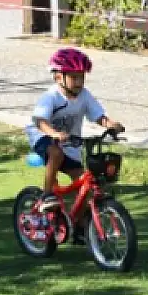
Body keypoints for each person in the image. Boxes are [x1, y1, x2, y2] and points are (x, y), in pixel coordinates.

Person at [26, 48, 123, 196]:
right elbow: (40, 121)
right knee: (56, 153)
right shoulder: (51, 96)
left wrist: (111, 125)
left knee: (84, 184)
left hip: (70, 142)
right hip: (42, 136)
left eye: (81, 77)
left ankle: (82, 218)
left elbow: (99, 116)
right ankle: (47, 194)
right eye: (73, 77)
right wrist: (54, 134)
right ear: (58, 77)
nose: (78, 82)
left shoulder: (84, 95)